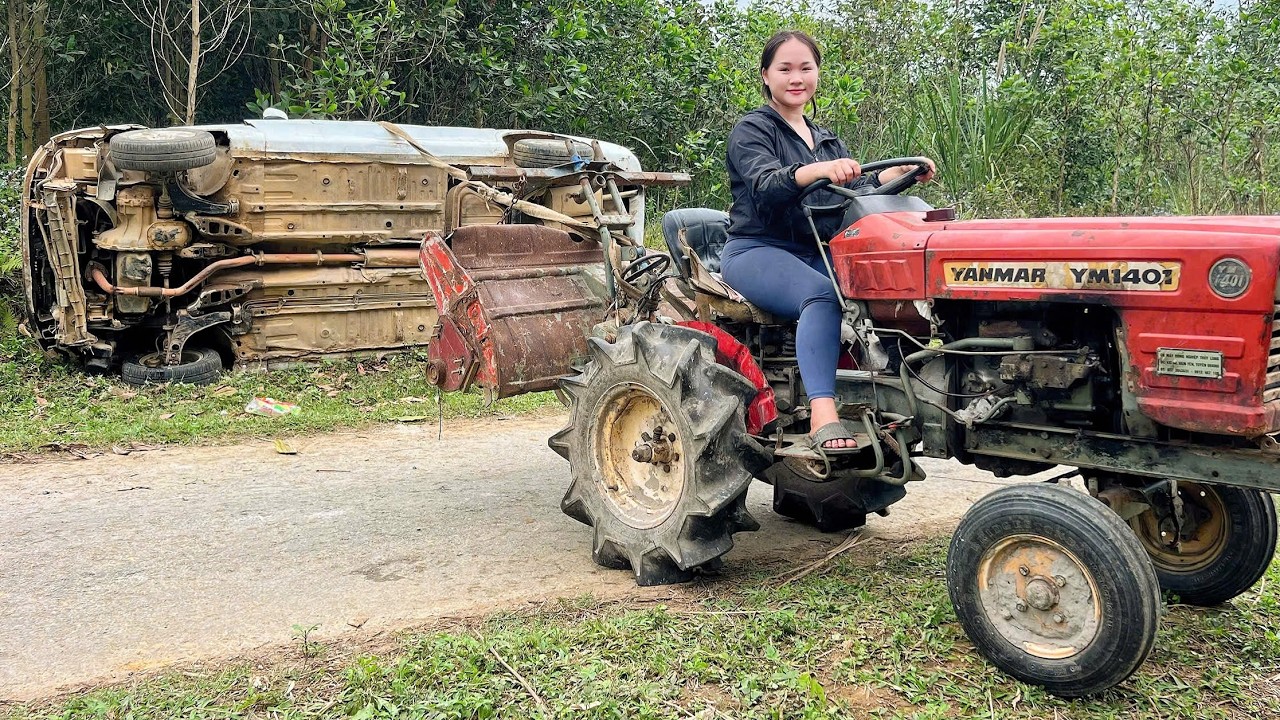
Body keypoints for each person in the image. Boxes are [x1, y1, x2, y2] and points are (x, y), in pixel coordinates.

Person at [720, 29, 935, 454]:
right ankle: (823, 412)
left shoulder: (827, 140)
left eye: (806, 68)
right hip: (756, 249)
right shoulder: (752, 130)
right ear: (766, 76)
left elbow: (850, 193)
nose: (796, 77)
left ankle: (900, 384)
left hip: (816, 250)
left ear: (817, 73)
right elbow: (766, 185)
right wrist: (818, 170)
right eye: (785, 69)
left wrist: (892, 177)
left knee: (887, 284)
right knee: (821, 296)